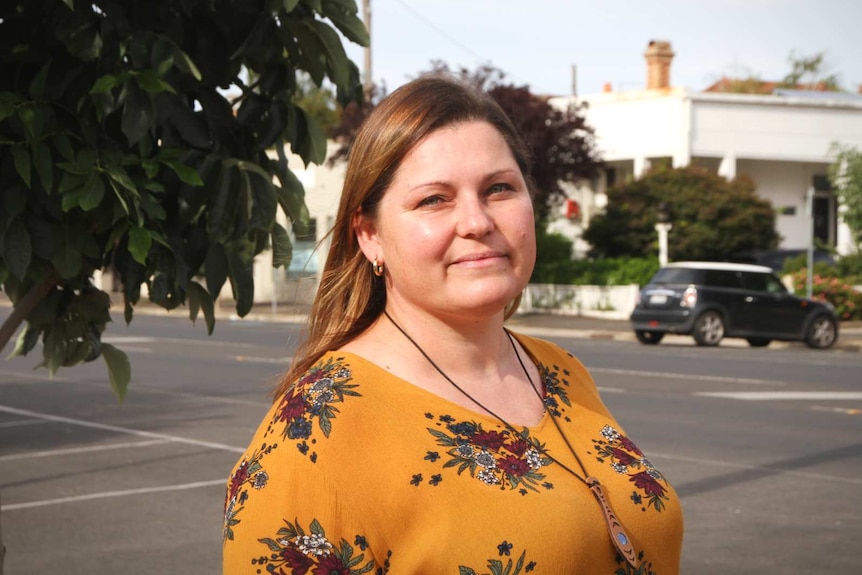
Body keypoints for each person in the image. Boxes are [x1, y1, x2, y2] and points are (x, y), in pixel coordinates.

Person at [223, 75, 684, 574]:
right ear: (370, 235)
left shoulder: (562, 370)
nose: (477, 221)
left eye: (499, 189)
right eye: (434, 200)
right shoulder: (317, 427)